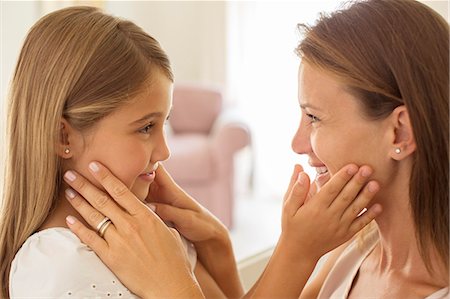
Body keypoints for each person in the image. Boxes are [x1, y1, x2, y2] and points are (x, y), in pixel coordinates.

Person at [58, 0, 449, 298]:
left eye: (314, 118)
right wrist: (221, 252)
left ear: (399, 133)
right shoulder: (349, 251)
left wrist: (175, 289)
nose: (297, 144)